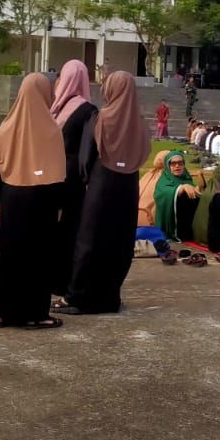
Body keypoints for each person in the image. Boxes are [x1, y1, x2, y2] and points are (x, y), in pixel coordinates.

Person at [60, 70, 149, 314]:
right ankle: (109, 297)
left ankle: (77, 298)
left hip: (101, 183)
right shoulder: (140, 123)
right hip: (128, 185)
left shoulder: (101, 118)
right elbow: (144, 154)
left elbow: (86, 157)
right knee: (119, 242)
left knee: (89, 240)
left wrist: (87, 179)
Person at [0, 74, 67, 328]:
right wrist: (59, 204)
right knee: (38, 255)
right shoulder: (52, 130)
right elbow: (57, 172)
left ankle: (1, 312)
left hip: (12, 196)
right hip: (42, 198)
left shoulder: (6, 128)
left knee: (9, 254)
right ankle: (35, 314)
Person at [48, 60, 98, 299]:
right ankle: (64, 280)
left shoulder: (54, 107)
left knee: (52, 227)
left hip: (49, 173)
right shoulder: (88, 110)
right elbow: (88, 149)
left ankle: (48, 277)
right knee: (71, 229)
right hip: (73, 177)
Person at [151, 150, 200, 244]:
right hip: (171, 227)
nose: (177, 166)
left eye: (180, 163)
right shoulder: (164, 180)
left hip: (188, 227)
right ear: (168, 165)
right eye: (173, 163)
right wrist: (181, 188)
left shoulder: (186, 177)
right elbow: (161, 194)